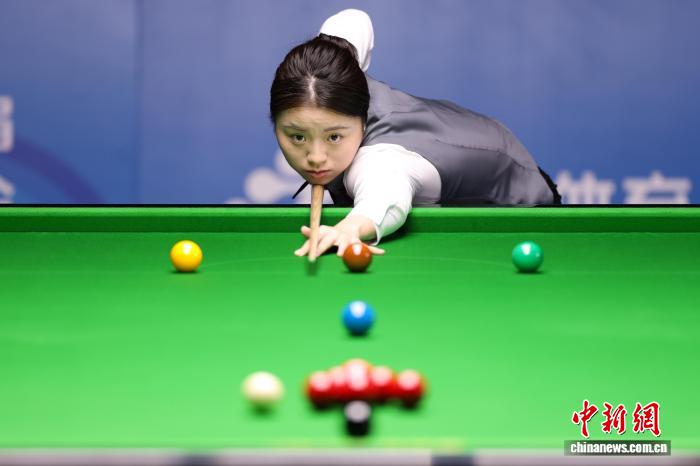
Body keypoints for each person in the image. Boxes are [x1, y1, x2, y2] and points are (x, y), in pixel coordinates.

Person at [269, 9, 561, 260]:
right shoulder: (335, 64)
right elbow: (354, 20)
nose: (315, 158)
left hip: (518, 200)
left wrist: (350, 228)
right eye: (298, 137)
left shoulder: (382, 159)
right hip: (470, 144)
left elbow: (384, 199)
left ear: (363, 120)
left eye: (334, 137)